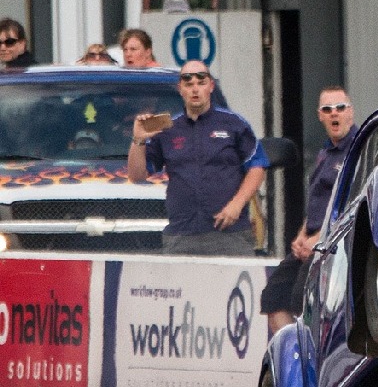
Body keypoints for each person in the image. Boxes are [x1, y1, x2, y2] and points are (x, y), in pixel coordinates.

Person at [126, 60, 268, 256]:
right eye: (189, 84)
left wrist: (237, 204)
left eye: (201, 83)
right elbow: (137, 175)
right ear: (180, 89)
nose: (195, 89)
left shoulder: (234, 124)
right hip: (181, 235)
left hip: (229, 233)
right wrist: (138, 140)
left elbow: (257, 166)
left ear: (211, 86)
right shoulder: (167, 129)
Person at [260, 86, 356, 334]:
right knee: (273, 298)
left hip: (334, 246)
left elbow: (352, 205)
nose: (334, 114)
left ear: (350, 113)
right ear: (320, 116)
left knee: (302, 305)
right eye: (327, 109)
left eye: (340, 108)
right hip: (312, 242)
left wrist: (319, 239)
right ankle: (294, 354)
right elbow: (318, 201)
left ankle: (311, 355)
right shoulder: (325, 153)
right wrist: (302, 236)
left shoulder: (357, 151)